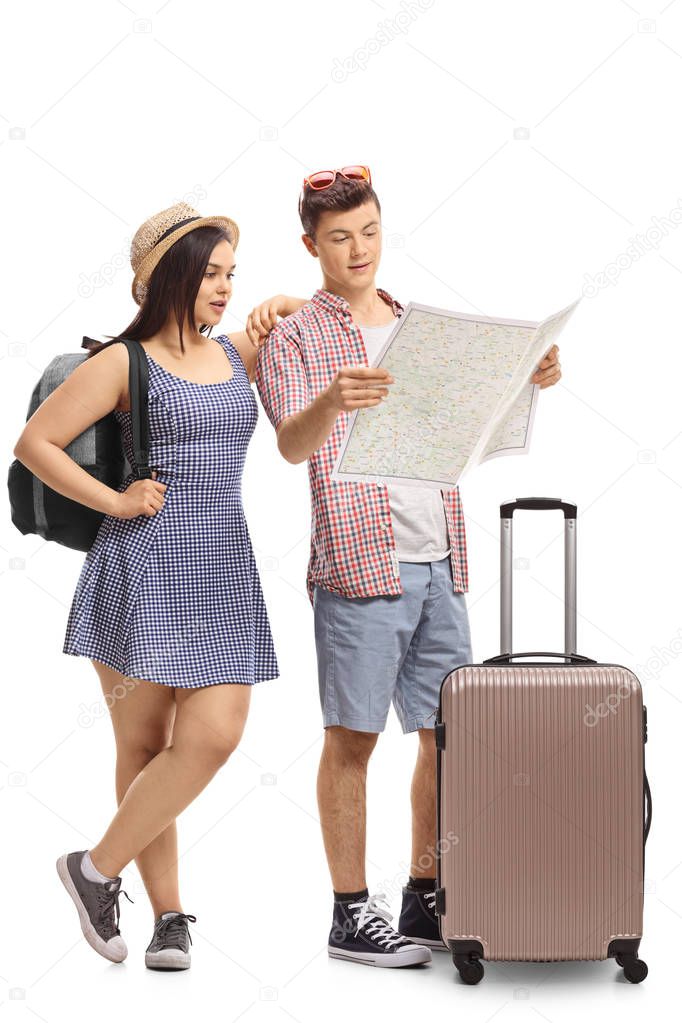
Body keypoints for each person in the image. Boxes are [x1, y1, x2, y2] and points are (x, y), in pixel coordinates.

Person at [255, 167, 562, 968]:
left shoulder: (417, 323)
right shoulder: (295, 336)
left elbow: (472, 418)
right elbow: (291, 445)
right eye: (338, 238)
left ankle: (423, 896)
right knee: (353, 737)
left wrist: (529, 377)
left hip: (439, 554)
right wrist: (333, 401)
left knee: (445, 734)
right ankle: (350, 913)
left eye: (368, 232)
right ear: (310, 246)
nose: (357, 250)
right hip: (359, 565)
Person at [12, 202, 305, 971]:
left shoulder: (233, 353)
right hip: (140, 565)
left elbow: (307, 321)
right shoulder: (122, 361)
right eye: (211, 273)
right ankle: (169, 916)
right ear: (168, 276)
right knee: (144, 744)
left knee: (212, 735)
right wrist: (114, 499)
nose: (225, 288)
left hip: (222, 566)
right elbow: (34, 442)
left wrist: (285, 303)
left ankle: (92, 869)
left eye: (231, 274)